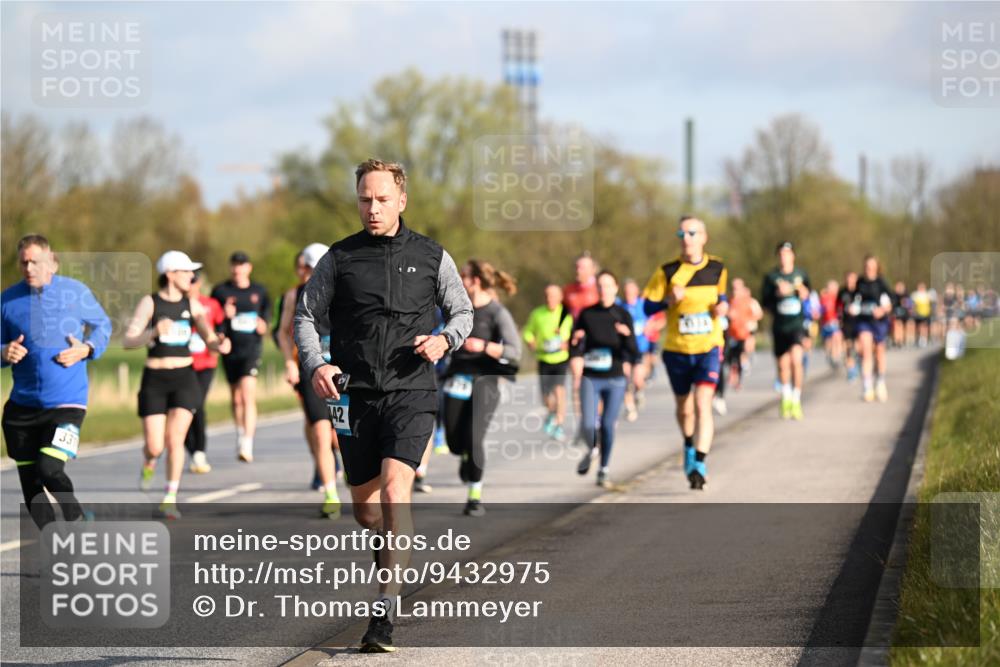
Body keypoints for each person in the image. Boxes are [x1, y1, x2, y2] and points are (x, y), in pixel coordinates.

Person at [294, 158, 473, 653]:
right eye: (364, 200)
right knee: (367, 511)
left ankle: (385, 611)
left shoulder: (432, 255)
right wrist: (316, 364)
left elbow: (462, 310)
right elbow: (305, 316)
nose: (372, 208)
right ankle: (387, 549)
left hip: (411, 391)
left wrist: (445, 340)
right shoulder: (340, 258)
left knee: (396, 492)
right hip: (353, 396)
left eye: (381, 199)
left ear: (401, 200)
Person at [2, 234, 111, 528]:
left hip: (67, 404)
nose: (29, 268)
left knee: (49, 468)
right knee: (31, 485)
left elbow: (103, 325)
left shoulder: (75, 292)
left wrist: (87, 348)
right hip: (22, 408)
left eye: (35, 262)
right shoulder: (7, 300)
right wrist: (3, 351)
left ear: (51, 262)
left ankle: (76, 517)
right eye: (23, 262)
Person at [124, 251, 230, 519]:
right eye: (186, 272)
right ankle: (149, 461)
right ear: (170, 274)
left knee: (175, 440)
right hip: (155, 380)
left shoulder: (192, 304)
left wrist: (220, 344)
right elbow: (128, 340)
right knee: (155, 445)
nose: (191, 277)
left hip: (185, 378)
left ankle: (170, 498)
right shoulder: (150, 302)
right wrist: (153, 332)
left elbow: (209, 337)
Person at [642, 216, 728, 490]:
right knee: (684, 408)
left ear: (703, 237)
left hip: (708, 347)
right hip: (677, 350)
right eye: (681, 233)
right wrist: (669, 300)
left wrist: (721, 308)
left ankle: (699, 463)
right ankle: (689, 444)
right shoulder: (667, 271)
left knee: (703, 403)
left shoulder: (717, 268)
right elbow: (647, 307)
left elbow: (721, 298)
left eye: (691, 233)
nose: (686, 238)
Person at [443, 260, 521, 516]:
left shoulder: (497, 312)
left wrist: (484, 347)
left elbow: (514, 351)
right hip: (457, 378)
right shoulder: (456, 309)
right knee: (454, 442)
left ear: (475, 281)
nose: (458, 280)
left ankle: (474, 497)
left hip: (485, 380)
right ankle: (464, 454)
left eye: (463, 276)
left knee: (474, 438)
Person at [278, 242, 342, 518]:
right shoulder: (295, 295)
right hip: (311, 369)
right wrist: (289, 362)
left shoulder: (344, 289)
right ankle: (331, 494)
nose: (310, 272)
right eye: (308, 267)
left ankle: (355, 476)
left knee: (341, 436)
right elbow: (283, 332)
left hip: (341, 370)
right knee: (319, 431)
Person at [572, 270, 639, 488]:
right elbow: (575, 345)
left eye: (608, 285)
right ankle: (593, 448)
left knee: (608, 425)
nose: (604, 290)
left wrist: (626, 335)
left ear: (615, 288)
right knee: (588, 424)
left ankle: (604, 469)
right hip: (591, 377)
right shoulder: (587, 314)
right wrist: (576, 341)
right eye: (600, 286)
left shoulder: (622, 314)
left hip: (615, 378)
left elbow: (634, 351)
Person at [211, 251, 270, 463]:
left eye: (242, 265)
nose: (238, 269)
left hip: (251, 349)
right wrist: (223, 316)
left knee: (247, 395)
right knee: (236, 398)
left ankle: (247, 442)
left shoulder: (259, 291)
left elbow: (266, 319)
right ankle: (239, 432)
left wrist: (263, 325)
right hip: (230, 350)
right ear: (230, 267)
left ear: (249, 268)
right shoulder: (220, 291)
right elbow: (212, 320)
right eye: (235, 264)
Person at [761, 242, 811, 420]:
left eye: (787, 253)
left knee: (797, 361)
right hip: (780, 326)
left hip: (797, 325)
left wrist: (804, 293)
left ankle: (796, 400)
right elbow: (765, 303)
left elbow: (809, 297)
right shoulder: (771, 277)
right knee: (783, 365)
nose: (784, 257)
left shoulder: (801, 275)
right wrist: (777, 294)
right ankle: (786, 397)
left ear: (793, 256)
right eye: (781, 254)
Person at [184, 270, 225, 474]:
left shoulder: (210, 304)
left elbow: (222, 326)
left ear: (199, 282)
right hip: (183, 363)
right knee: (182, 408)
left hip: (206, 363)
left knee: (197, 404)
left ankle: (199, 451)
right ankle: (191, 449)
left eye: (193, 280)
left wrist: (220, 338)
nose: (190, 284)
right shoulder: (177, 304)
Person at [523, 284, 573, 441]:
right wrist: (530, 341)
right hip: (544, 358)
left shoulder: (566, 314)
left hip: (560, 358)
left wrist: (567, 342)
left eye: (553, 296)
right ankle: (552, 414)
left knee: (559, 391)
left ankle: (559, 424)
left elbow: (573, 335)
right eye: (547, 296)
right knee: (545, 397)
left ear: (560, 298)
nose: (549, 299)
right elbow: (527, 331)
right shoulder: (537, 314)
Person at [853, 255, 893, 403]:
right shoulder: (860, 282)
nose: (869, 269)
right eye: (867, 266)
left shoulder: (881, 282)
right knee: (866, 351)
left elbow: (892, 300)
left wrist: (883, 310)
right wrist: (852, 307)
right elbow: (853, 299)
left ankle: (880, 382)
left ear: (877, 267)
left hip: (879, 322)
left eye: (872, 266)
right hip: (864, 320)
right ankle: (867, 386)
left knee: (880, 352)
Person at [723, 278, 762, 392]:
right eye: (733, 288)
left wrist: (750, 322)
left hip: (745, 334)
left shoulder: (750, 301)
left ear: (742, 288)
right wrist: (728, 315)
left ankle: (739, 379)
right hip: (731, 334)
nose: (735, 290)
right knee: (730, 358)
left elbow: (759, 314)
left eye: (737, 288)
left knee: (740, 356)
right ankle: (734, 374)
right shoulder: (729, 301)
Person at [620, 278, 650, 422]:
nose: (628, 294)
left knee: (638, 379)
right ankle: (629, 407)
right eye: (626, 291)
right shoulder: (620, 306)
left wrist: (651, 326)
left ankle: (639, 392)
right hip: (624, 348)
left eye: (631, 291)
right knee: (625, 378)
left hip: (640, 347)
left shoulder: (643, 305)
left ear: (637, 291)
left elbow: (660, 319)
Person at [563, 252, 600, 320]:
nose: (578, 271)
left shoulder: (601, 289)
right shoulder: (567, 290)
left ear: (593, 270)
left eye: (582, 268)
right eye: (577, 267)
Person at [838, 271, 861, 382]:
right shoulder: (842, 292)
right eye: (848, 279)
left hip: (859, 321)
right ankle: (851, 370)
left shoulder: (860, 291)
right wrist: (839, 320)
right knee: (848, 347)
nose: (850, 281)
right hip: (847, 322)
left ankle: (858, 362)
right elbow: (838, 307)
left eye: (852, 279)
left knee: (858, 346)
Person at [818, 279, 844, 369]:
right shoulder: (823, 298)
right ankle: (830, 355)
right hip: (826, 323)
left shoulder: (838, 298)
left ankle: (837, 356)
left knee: (837, 337)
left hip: (835, 322)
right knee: (828, 341)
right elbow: (820, 311)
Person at [910, 282, 933, 347]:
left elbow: (931, 304)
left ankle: (924, 339)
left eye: (923, 287)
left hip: (926, 314)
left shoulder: (928, 295)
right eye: (920, 287)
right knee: (918, 327)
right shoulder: (915, 295)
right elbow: (912, 305)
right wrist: (913, 311)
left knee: (924, 327)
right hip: (917, 314)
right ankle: (918, 338)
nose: (921, 288)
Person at [891, 281, 912, 348]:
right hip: (897, 313)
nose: (899, 288)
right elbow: (892, 304)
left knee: (903, 327)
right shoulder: (894, 295)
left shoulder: (906, 295)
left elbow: (909, 305)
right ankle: (897, 340)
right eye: (898, 286)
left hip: (904, 314)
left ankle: (902, 340)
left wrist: (905, 303)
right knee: (897, 325)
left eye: (901, 286)